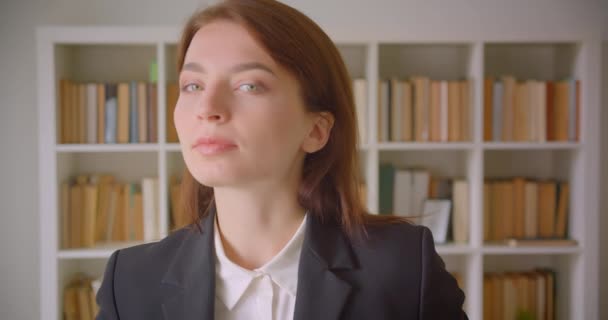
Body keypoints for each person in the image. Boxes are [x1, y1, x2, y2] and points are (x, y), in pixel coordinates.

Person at [95, 0, 468, 319]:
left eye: (249, 85)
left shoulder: (403, 269)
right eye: (193, 85)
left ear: (316, 130)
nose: (207, 108)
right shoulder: (128, 283)